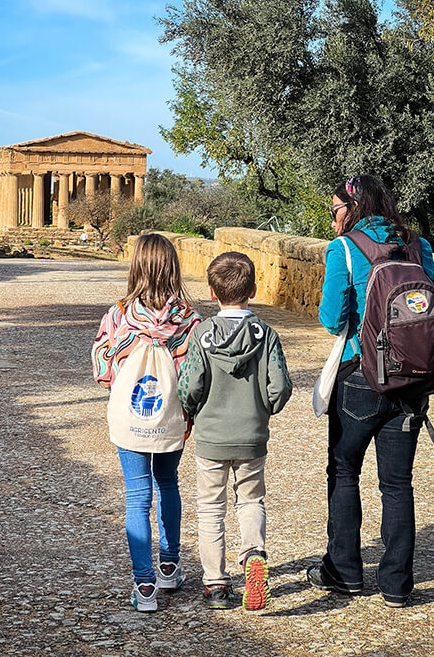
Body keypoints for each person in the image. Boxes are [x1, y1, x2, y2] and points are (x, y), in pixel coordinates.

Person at [308, 175, 434, 608]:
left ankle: (345, 573)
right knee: (397, 483)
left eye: (334, 210)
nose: (333, 219)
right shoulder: (418, 246)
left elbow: (332, 320)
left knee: (345, 472)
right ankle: (397, 585)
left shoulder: (344, 248)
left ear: (350, 207)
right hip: (412, 380)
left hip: (360, 377)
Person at [177, 251, 293, 610]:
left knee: (211, 507)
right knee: (251, 499)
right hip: (252, 436)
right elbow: (281, 386)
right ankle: (254, 555)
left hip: (211, 437)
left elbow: (191, 384)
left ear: (212, 293)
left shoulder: (202, 335)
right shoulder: (267, 335)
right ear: (254, 289)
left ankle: (215, 584)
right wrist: (265, 409)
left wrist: (191, 410)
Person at [92, 233, 201, 612]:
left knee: (137, 497)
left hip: (130, 416)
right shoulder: (188, 318)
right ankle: (169, 565)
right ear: (173, 268)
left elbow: (103, 368)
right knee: (168, 483)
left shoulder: (119, 314)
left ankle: (144, 587)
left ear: (136, 267)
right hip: (172, 416)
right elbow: (196, 375)